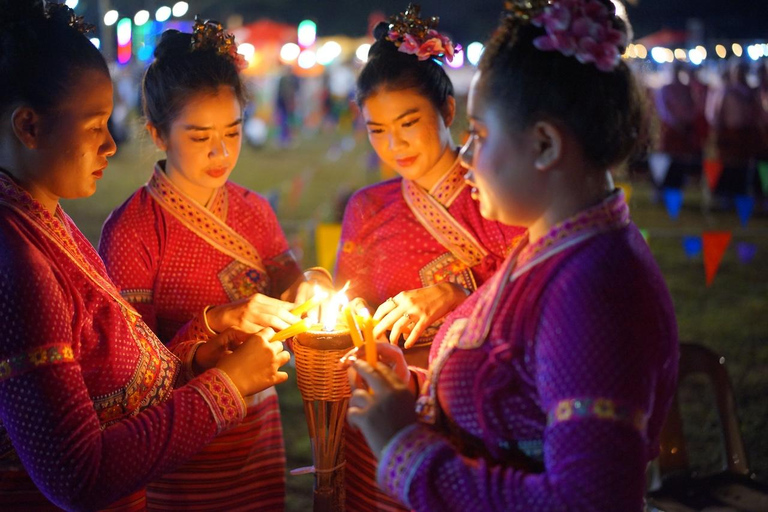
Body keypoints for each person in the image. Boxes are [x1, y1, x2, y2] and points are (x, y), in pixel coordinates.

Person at [344, 1, 679, 510]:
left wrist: (404, 448)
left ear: (544, 144)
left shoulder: (592, 292)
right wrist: (408, 383)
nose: (469, 158)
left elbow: (588, 501)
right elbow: (513, 388)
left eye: (479, 135)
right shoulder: (552, 251)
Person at [0, 2, 291, 511]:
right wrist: (226, 385)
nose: (111, 145)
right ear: (28, 125)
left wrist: (205, 345)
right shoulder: (21, 262)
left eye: (233, 131)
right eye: (94, 127)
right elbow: (76, 476)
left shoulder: (48, 224)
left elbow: (125, 372)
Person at [98, 19, 330, 511]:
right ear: (158, 133)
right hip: (181, 448)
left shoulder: (253, 209)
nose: (221, 151)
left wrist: (310, 284)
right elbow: (128, 375)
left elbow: (290, 279)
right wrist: (215, 324)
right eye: (200, 135)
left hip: (259, 433)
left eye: (233, 131)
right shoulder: (132, 230)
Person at [334, 5, 525, 510]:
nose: (394, 144)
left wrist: (457, 294)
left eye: (408, 122)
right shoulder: (367, 208)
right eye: (377, 129)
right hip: (387, 417)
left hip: (481, 419)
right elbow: (346, 317)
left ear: (446, 111)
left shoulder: (501, 195)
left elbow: (536, 305)